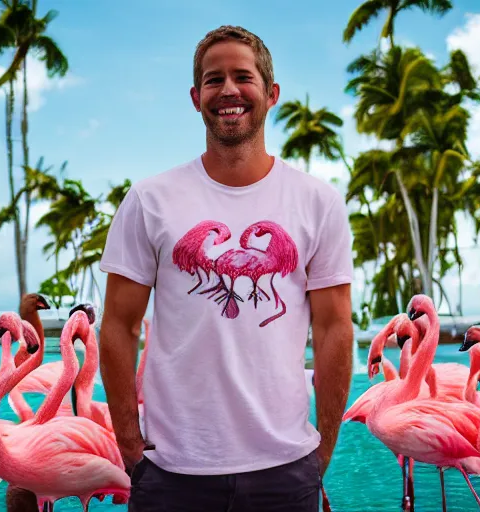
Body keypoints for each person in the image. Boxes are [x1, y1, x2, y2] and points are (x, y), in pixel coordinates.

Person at [98, 25, 354, 511]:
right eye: (214, 80)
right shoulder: (151, 200)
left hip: (285, 467)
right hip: (174, 471)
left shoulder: (317, 202)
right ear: (196, 98)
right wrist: (130, 445)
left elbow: (334, 328)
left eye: (244, 77)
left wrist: (322, 446)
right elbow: (118, 324)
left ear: (271, 94)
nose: (229, 91)